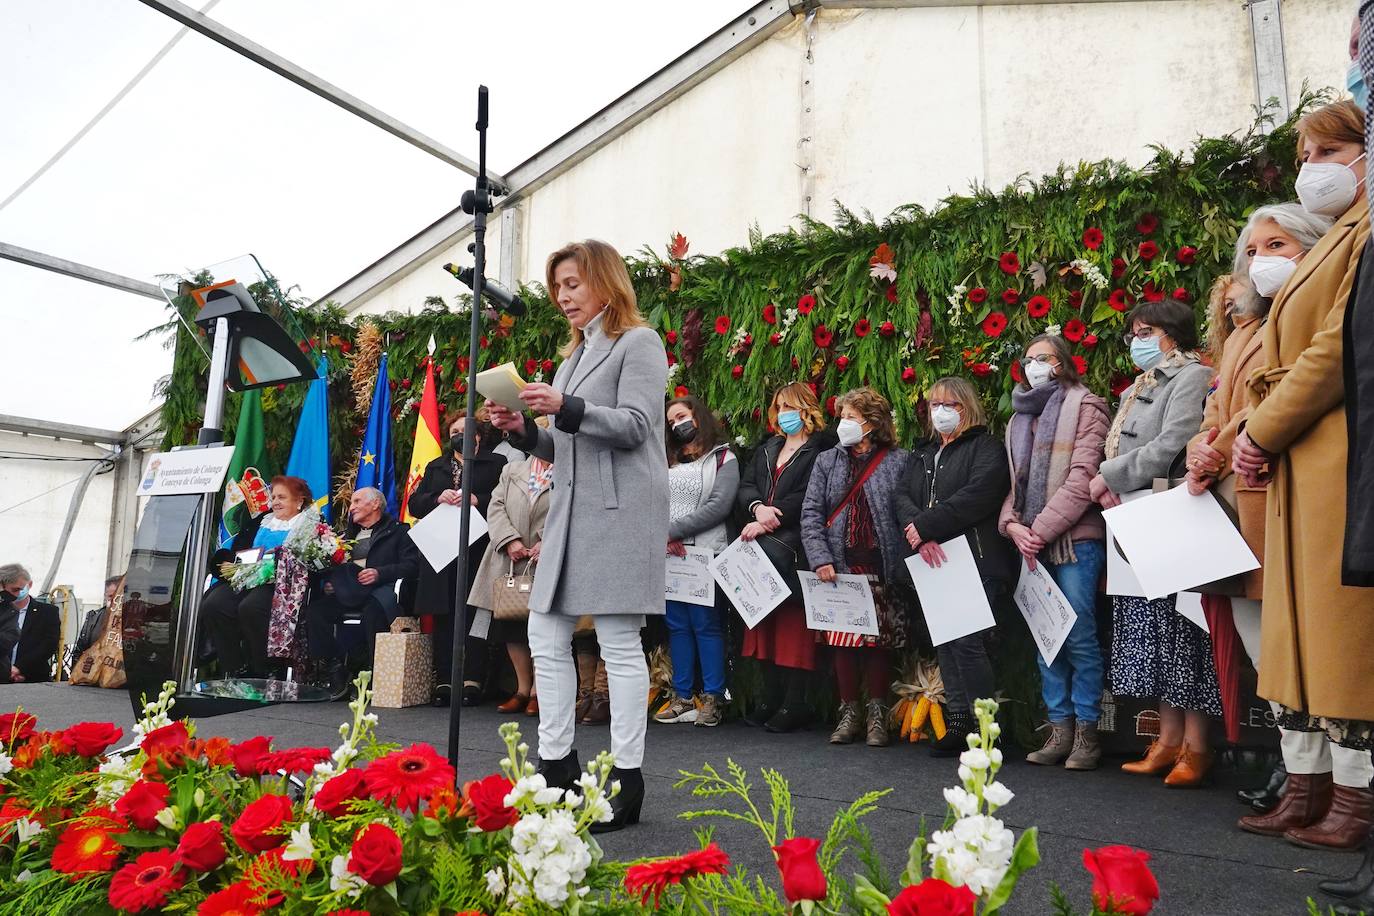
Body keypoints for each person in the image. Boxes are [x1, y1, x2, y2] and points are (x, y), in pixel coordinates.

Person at [1229, 99, 1374, 853]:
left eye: (1325, 150)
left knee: (1340, 631)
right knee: (1294, 630)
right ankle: (1309, 785)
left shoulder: (1363, 232)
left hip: (1331, 449)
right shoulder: (1340, 239)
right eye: (1303, 154)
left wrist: (1258, 430)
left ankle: (1354, 795)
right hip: (1298, 455)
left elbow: (1332, 352)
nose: (1310, 167)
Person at [488, 238, 668, 833]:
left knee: (618, 643)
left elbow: (637, 427)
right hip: (571, 513)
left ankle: (627, 777)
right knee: (545, 635)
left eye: (573, 283)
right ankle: (557, 766)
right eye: (557, 287)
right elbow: (561, 444)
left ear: (605, 282)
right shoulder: (572, 357)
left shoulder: (638, 342)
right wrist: (521, 428)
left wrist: (564, 405)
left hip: (618, 513)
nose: (563, 296)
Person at [1184, 204, 1331, 814]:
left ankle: (1324, 777)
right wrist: (1201, 447)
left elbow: (1282, 397)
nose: (1261, 260)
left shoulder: (1308, 319)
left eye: (1279, 244)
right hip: (1233, 510)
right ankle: (1299, 771)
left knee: (1301, 649)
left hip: (1282, 500)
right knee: (1261, 652)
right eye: (1254, 249)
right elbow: (1218, 415)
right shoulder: (1243, 335)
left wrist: (1214, 446)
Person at [1090, 298, 1218, 787]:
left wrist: (1108, 475)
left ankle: (1197, 746)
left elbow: (1176, 441)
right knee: (1151, 630)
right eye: (1134, 332)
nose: (1137, 341)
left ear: (1170, 332)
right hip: (1134, 512)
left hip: (1171, 510)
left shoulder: (1192, 375)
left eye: (1146, 331)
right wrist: (1113, 482)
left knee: (1185, 630)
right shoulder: (1141, 382)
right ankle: (1166, 741)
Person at [1000, 336, 1110, 770]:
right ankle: (1059, 728)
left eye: (1041, 359)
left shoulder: (1087, 406)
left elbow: (1084, 477)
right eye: (1027, 359)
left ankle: (1087, 732)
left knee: (1079, 635)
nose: (1032, 366)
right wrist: (1012, 525)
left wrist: (1038, 530)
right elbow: (1014, 486)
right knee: (1047, 639)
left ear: (1062, 364)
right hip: (1029, 542)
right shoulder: (1018, 418)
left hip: (1074, 540)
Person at [896, 377, 1015, 757]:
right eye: (934, 405)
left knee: (969, 644)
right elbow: (902, 495)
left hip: (974, 560)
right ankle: (959, 720)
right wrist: (920, 532)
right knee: (945, 641)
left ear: (967, 408)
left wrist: (926, 526)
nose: (940, 412)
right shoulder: (923, 452)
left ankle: (986, 729)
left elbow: (980, 494)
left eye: (950, 405)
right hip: (933, 561)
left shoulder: (986, 447)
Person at [800, 386, 911, 749]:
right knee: (843, 642)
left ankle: (878, 714)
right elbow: (811, 512)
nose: (842, 423)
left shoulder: (898, 460)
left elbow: (903, 511)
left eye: (850, 417)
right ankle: (849, 712)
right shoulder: (827, 461)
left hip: (880, 564)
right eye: (841, 416)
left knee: (877, 643)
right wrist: (820, 558)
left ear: (872, 423)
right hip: (838, 565)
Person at [737, 382, 835, 732]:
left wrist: (771, 517)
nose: (783, 414)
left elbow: (813, 495)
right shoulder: (768, 447)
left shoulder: (823, 451)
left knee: (793, 627)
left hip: (794, 548)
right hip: (759, 547)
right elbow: (746, 485)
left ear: (807, 409)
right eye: (779, 406)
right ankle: (770, 697)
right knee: (763, 623)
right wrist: (757, 507)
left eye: (790, 407)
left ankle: (795, 702)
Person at [408, 409, 507, 707]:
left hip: (478, 547)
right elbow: (414, 503)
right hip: (442, 549)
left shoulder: (496, 463)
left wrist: (478, 499)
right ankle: (445, 679)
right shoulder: (436, 466)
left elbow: (507, 500)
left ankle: (473, 679)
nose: (459, 436)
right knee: (445, 614)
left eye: (465, 430)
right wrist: (438, 498)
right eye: (454, 432)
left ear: (477, 436)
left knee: (475, 613)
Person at [655, 395, 739, 728]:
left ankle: (715, 698)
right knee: (676, 625)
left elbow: (719, 506)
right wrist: (663, 536)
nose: (677, 425)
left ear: (698, 417)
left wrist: (672, 532)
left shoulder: (723, 458)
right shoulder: (666, 459)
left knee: (706, 624)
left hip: (704, 552)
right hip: (670, 555)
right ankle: (682, 697)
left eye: (682, 417)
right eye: (672, 421)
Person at [467, 419, 555, 718]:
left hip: (547, 559)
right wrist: (509, 540)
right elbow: (496, 507)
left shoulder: (569, 471)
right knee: (511, 628)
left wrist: (549, 542)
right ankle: (521, 688)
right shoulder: (512, 469)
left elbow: (573, 510)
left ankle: (540, 692)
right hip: (511, 559)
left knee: (544, 627)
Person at [305, 487, 421, 694]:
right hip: (348, 592)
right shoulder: (343, 537)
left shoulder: (399, 531)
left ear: (375, 504)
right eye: (352, 503)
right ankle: (335, 667)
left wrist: (379, 573)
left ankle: (375, 673)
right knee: (316, 612)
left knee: (373, 613)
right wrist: (332, 582)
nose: (351, 507)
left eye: (357, 501)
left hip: (380, 590)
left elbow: (413, 566)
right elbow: (333, 567)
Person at [201, 475, 312, 677]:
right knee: (214, 604)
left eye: (282, 497)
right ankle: (234, 668)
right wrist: (231, 564)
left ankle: (264, 670)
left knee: (251, 607)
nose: (275, 502)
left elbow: (307, 560)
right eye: (274, 497)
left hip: (280, 583)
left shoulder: (309, 524)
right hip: (245, 577)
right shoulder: (262, 520)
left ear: (299, 500)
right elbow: (238, 549)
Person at [0, 565, 60, 684]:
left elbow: (49, 645)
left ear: (30, 584)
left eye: (19, 589)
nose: (17, 594)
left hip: (32, 678)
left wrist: (19, 667)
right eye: (12, 590)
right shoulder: (4, 611)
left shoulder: (48, 612)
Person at [74, 575, 124, 658]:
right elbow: (80, 650)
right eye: (111, 596)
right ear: (105, 595)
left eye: (117, 596)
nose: (114, 600)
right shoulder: (93, 617)